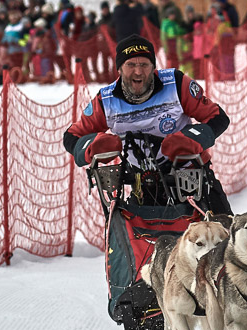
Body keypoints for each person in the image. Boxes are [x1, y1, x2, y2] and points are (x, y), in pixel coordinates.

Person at [62, 35, 233, 214]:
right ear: (119, 69)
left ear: (153, 67)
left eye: (144, 64)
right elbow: (72, 136)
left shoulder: (176, 83)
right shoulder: (106, 101)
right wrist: (93, 146)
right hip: (142, 182)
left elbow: (218, 118)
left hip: (191, 173)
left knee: (225, 232)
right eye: (131, 65)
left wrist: (191, 139)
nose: (138, 72)